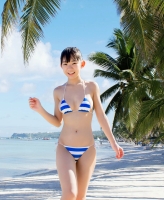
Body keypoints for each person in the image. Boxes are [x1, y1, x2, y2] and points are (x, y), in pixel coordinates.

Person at [29, 47, 124, 200]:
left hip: (88, 149)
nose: (70, 67)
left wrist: (114, 143)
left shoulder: (91, 87)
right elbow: (57, 122)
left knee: (80, 197)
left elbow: (101, 115)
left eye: (74, 62)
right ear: (61, 66)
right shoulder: (58, 91)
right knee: (70, 194)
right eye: (65, 64)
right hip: (65, 148)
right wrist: (40, 109)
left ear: (82, 64)